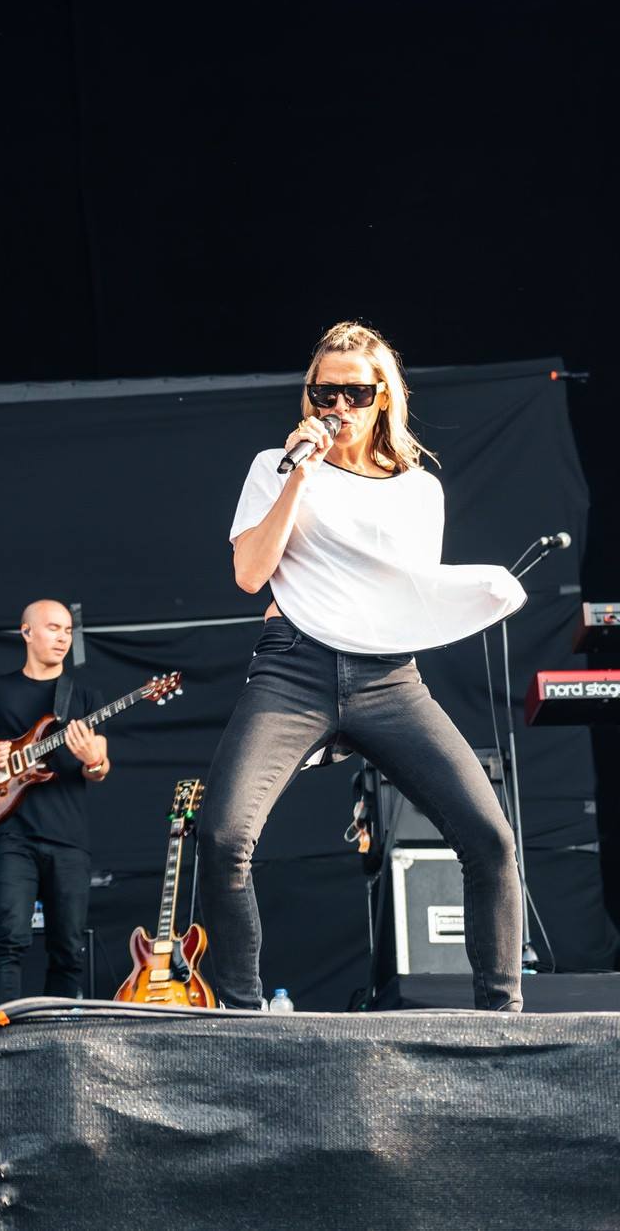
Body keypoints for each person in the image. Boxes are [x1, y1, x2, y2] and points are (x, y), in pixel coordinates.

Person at [200, 320, 526, 1011]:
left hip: (387, 678)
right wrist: (299, 475)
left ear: (383, 397)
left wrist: (478, 589)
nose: (337, 408)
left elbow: (403, 594)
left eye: (353, 393)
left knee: (490, 838)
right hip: (294, 668)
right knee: (224, 835)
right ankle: (239, 1016)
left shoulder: (417, 490)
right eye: (324, 392)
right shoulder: (276, 466)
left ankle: (503, 1022)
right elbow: (250, 574)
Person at [0, 599, 112, 1002]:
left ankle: (58, 1035)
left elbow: (100, 768)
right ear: (27, 632)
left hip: (69, 839)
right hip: (13, 834)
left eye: (69, 631)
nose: (63, 638)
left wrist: (93, 760)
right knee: (9, 938)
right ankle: (5, 1031)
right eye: (54, 628)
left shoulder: (84, 697)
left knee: (68, 948)